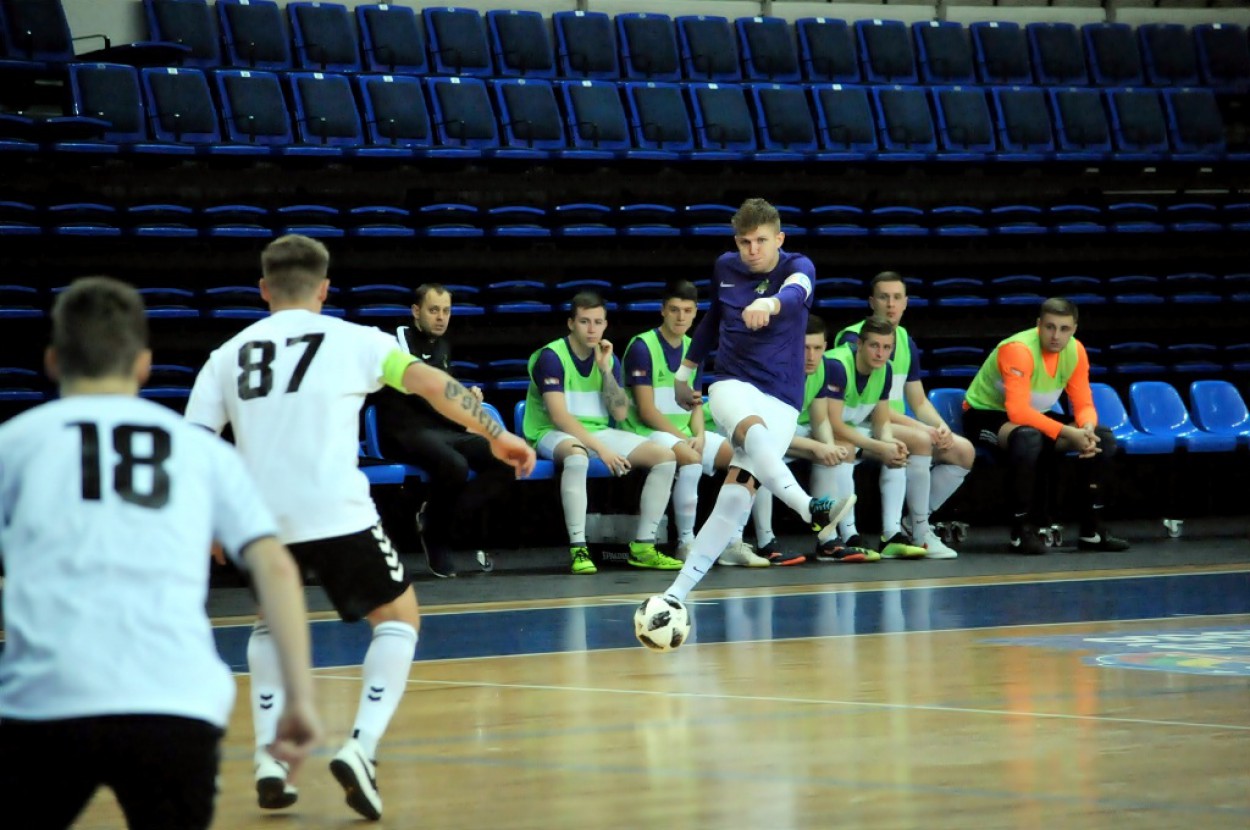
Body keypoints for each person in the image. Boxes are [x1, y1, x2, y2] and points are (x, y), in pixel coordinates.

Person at [185, 235, 535, 821]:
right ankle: (360, 748)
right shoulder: (356, 339)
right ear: (324, 290)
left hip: (259, 518)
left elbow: (195, 445)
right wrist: (496, 434)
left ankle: (270, 757)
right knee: (398, 619)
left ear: (264, 289)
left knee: (270, 622)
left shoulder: (227, 355)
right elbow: (434, 384)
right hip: (335, 512)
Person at [0, 277, 321, 830]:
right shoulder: (200, 452)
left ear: (52, 361)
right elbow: (275, 567)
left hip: (46, 702)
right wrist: (299, 697)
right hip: (175, 703)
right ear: (144, 364)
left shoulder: (16, 443)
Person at [661, 198, 856, 605]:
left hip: (783, 398)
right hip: (733, 382)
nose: (752, 250)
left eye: (761, 241)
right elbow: (713, 319)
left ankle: (675, 595)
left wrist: (768, 303)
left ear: (779, 239)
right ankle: (810, 507)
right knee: (751, 430)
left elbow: (796, 292)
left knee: (734, 497)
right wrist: (684, 372)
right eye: (744, 242)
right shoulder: (725, 267)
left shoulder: (799, 266)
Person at [620, 279, 796, 567]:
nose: (681, 317)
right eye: (674, 310)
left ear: (695, 312)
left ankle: (732, 542)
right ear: (663, 310)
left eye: (687, 311)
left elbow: (696, 402)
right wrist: (685, 438)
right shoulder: (643, 346)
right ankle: (686, 543)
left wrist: (700, 434)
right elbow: (647, 411)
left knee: (752, 459)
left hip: (684, 432)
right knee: (691, 457)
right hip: (647, 432)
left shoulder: (693, 348)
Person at [523, 291, 682, 575]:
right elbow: (560, 417)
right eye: (584, 321)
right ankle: (578, 548)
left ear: (605, 325)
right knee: (577, 456)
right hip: (552, 433)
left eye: (598, 322)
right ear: (571, 323)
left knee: (665, 457)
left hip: (597, 431)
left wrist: (606, 371)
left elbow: (619, 414)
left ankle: (644, 546)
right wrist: (602, 449)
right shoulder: (551, 357)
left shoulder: (607, 359)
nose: (592, 329)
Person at [963, 297, 1129, 555]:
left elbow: (1084, 403)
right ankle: (1021, 531)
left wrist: (1086, 429)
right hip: (987, 414)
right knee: (1027, 438)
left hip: (1037, 415)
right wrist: (1068, 432)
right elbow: (1017, 412)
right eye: (1050, 327)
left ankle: (1092, 531)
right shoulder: (1018, 349)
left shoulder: (1076, 351)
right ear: (1039, 324)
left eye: (1064, 329)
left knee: (1101, 437)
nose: (1056, 336)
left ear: (1074, 329)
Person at [370, 282, 515, 577]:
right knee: (455, 465)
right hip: (403, 431)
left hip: (441, 430)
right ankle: (437, 537)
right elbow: (421, 390)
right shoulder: (399, 339)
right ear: (416, 311)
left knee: (505, 459)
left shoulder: (443, 346)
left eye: (446, 311)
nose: (440, 317)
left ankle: (436, 522)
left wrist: (467, 397)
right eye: (433, 310)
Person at [834, 272, 976, 558]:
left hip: (890, 424)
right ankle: (920, 534)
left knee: (963, 451)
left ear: (906, 302)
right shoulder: (855, 338)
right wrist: (924, 430)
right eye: (884, 297)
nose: (891, 304)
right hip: (860, 422)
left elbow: (918, 400)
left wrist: (940, 426)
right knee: (918, 441)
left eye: (897, 297)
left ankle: (912, 523)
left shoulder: (905, 340)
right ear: (871, 302)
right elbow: (870, 405)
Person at [816, 317, 931, 559]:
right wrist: (878, 446)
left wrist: (888, 443)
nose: (880, 353)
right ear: (859, 344)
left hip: (849, 429)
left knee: (896, 450)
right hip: (811, 426)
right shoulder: (837, 365)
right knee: (846, 447)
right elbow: (834, 424)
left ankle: (891, 534)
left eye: (886, 347)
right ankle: (849, 535)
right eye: (874, 346)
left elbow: (881, 422)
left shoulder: (885, 370)